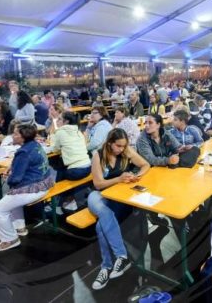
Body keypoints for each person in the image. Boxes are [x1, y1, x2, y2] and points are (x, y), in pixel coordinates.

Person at [88, 129, 150, 290]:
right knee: (102, 209)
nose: (121, 149)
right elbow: (98, 184)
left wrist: (138, 176)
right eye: (118, 146)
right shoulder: (98, 155)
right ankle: (122, 256)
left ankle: (106, 266)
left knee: (101, 224)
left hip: (117, 197)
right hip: (100, 195)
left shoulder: (126, 150)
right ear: (109, 143)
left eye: (123, 146)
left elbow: (145, 164)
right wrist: (119, 179)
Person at [0, 124, 54, 251]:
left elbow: (15, 179)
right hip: (45, 183)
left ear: (23, 137)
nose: (12, 136)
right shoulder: (35, 144)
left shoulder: (23, 152)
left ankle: (10, 239)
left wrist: (7, 178)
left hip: (33, 188)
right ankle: (20, 227)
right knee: (12, 200)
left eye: (15, 134)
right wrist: (12, 168)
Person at [52, 112, 91, 210]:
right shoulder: (79, 131)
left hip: (75, 172)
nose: (58, 120)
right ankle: (68, 200)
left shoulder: (60, 132)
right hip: (88, 167)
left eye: (60, 119)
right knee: (62, 165)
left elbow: (55, 149)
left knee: (60, 169)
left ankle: (59, 203)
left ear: (66, 121)